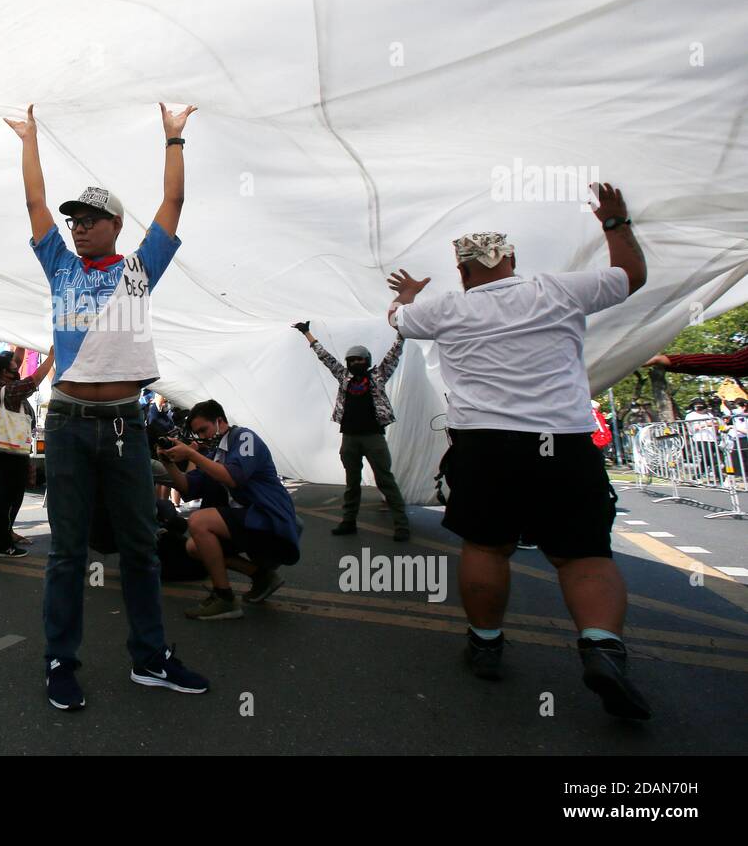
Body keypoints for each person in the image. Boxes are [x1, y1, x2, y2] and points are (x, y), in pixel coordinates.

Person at [387, 182, 651, 720]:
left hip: (484, 447)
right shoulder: (557, 291)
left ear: (462, 273)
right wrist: (616, 223)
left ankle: (486, 643)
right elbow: (631, 277)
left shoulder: (442, 312)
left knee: (487, 547)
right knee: (582, 554)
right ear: (511, 260)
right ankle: (602, 648)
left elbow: (397, 318)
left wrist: (411, 293)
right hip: (564, 443)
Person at [4, 101, 209, 711]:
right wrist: (30, 139)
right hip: (67, 422)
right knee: (67, 551)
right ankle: (60, 663)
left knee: (141, 546)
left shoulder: (140, 270)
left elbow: (171, 207)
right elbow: (35, 203)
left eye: (92, 218)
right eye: (76, 220)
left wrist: (173, 140)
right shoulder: (59, 265)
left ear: (117, 224)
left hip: (124, 424)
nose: (79, 226)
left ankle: (150, 659)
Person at [158, 400, 302, 620]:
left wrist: (191, 455)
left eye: (204, 430)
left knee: (198, 521)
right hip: (248, 521)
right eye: (197, 433)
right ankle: (261, 576)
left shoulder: (244, 437)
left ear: (220, 421)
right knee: (194, 546)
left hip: (270, 519)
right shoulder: (214, 454)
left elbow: (233, 477)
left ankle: (224, 598)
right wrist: (168, 462)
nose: (202, 437)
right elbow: (187, 487)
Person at [294, 322, 410, 541]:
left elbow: (395, 352)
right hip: (349, 438)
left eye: (360, 359)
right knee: (352, 482)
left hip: (374, 437)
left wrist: (402, 329)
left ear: (367, 362)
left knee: (386, 481)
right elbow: (325, 357)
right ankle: (348, 522)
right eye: (353, 360)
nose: (356, 363)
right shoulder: (344, 377)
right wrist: (306, 333)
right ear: (348, 363)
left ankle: (401, 525)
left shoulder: (377, 376)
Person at [0, 345, 55, 557]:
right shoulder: (11, 391)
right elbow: (36, 378)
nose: (17, 365)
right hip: (11, 452)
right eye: (13, 364)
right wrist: (51, 357)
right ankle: (2, 545)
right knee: (7, 498)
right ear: (5, 370)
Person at [683, 398, 720, 484]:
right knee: (708, 456)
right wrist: (706, 424)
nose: (699, 406)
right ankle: (719, 475)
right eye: (697, 404)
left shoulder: (708, 414)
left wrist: (714, 425)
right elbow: (693, 428)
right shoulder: (691, 415)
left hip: (712, 438)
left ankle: (697, 476)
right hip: (700, 438)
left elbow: (715, 423)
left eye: (701, 404)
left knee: (708, 458)